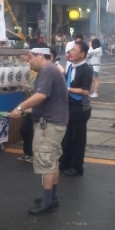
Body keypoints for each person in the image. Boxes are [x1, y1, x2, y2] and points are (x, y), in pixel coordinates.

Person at [9, 47, 68, 215]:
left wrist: (20, 107)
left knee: (46, 161)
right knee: (52, 160)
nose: (29, 61)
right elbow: (46, 100)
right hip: (55, 122)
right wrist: (27, 110)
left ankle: (47, 201)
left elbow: (41, 96)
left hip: (49, 125)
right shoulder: (51, 70)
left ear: (41, 56)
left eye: (30, 58)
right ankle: (52, 197)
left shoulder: (47, 69)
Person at [59, 40, 93, 177]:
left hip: (80, 108)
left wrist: (67, 89)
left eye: (74, 50)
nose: (70, 52)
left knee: (78, 139)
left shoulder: (87, 69)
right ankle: (65, 162)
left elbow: (85, 91)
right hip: (68, 106)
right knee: (67, 137)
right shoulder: (71, 67)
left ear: (83, 54)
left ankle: (77, 167)